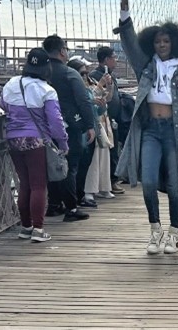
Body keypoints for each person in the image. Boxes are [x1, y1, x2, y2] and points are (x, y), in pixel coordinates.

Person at [115, 0, 178, 255]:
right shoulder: (146, 66)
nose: (161, 46)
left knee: (176, 187)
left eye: (166, 42)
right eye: (157, 42)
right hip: (150, 130)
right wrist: (124, 4)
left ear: (174, 43)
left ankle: (174, 233)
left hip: (175, 133)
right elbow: (128, 42)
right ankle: (155, 230)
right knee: (149, 181)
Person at [0, 48, 69, 242]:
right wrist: (62, 143)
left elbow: (2, 105)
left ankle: (26, 227)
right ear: (47, 68)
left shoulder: (11, 84)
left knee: (25, 184)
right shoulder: (47, 90)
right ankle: (38, 230)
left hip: (13, 139)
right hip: (36, 140)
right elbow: (55, 120)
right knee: (39, 185)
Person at [43, 34, 95, 222]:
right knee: (70, 166)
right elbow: (83, 101)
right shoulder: (69, 73)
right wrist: (90, 125)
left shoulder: (40, 73)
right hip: (69, 126)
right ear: (62, 51)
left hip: (43, 127)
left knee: (49, 165)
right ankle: (71, 209)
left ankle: (54, 204)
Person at [67, 57, 114, 207]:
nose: (84, 76)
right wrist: (97, 91)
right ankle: (79, 197)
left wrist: (101, 102)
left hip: (93, 128)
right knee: (78, 166)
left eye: (85, 73)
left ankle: (83, 195)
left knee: (86, 164)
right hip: (79, 130)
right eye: (81, 73)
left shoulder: (88, 87)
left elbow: (99, 108)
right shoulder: (72, 89)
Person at [90, 46, 125, 195]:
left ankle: (111, 180)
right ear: (106, 60)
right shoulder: (95, 76)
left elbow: (110, 96)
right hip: (102, 119)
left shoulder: (111, 75)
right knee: (107, 151)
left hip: (111, 119)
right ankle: (107, 181)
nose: (115, 60)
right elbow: (95, 95)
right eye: (113, 57)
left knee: (113, 148)